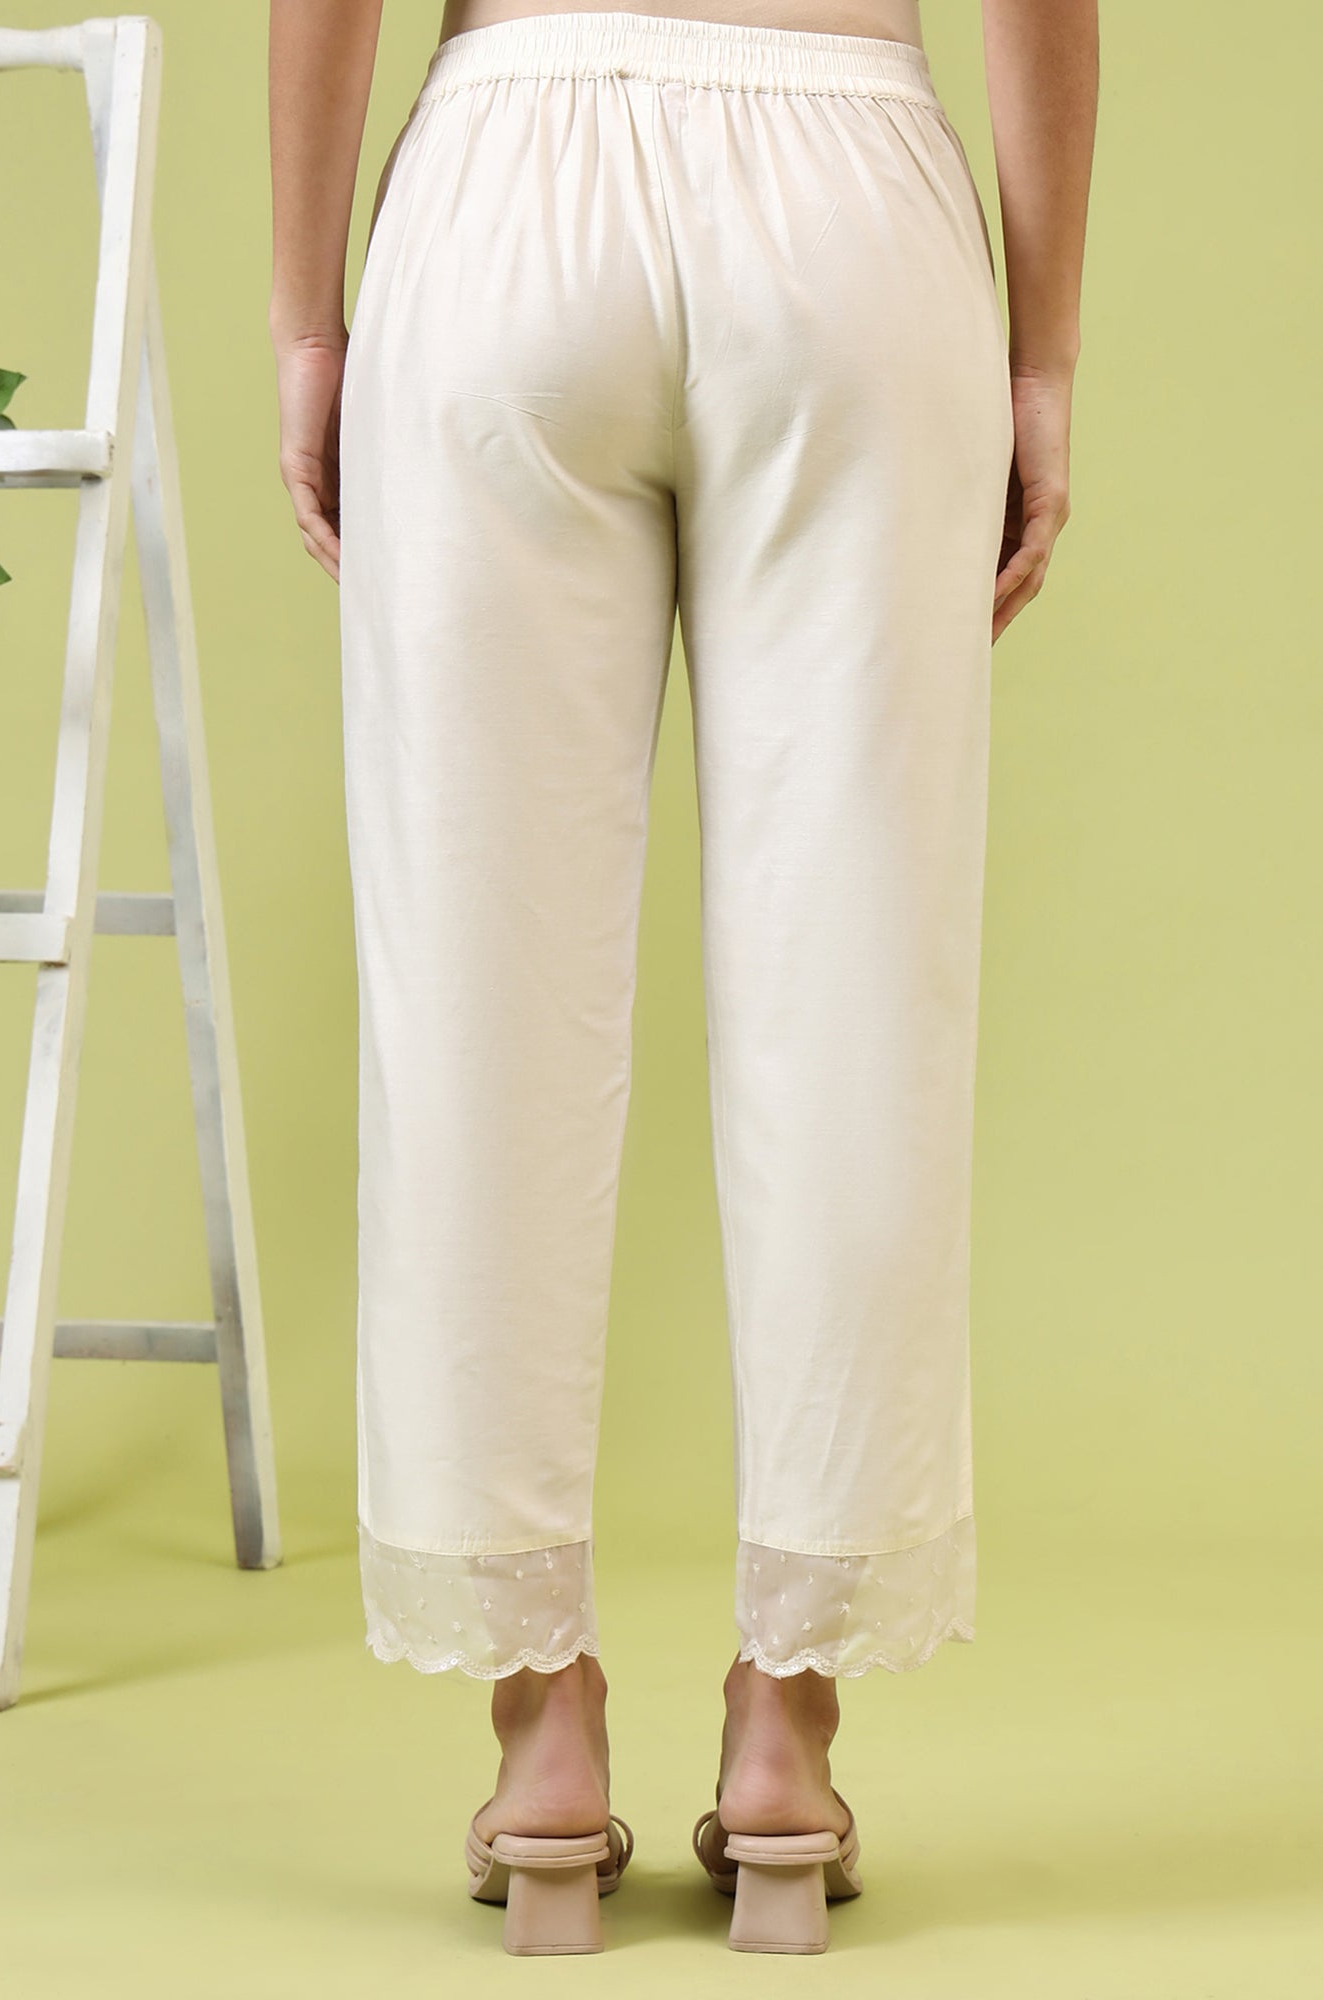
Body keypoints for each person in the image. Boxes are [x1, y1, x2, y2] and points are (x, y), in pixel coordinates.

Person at [269, 0, 1095, 1955]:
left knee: (474, 986)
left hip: (502, 177)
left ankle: (541, 1734)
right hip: (850, 196)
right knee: (856, 983)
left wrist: (309, 323)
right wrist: (1040, 357)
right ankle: (786, 1732)